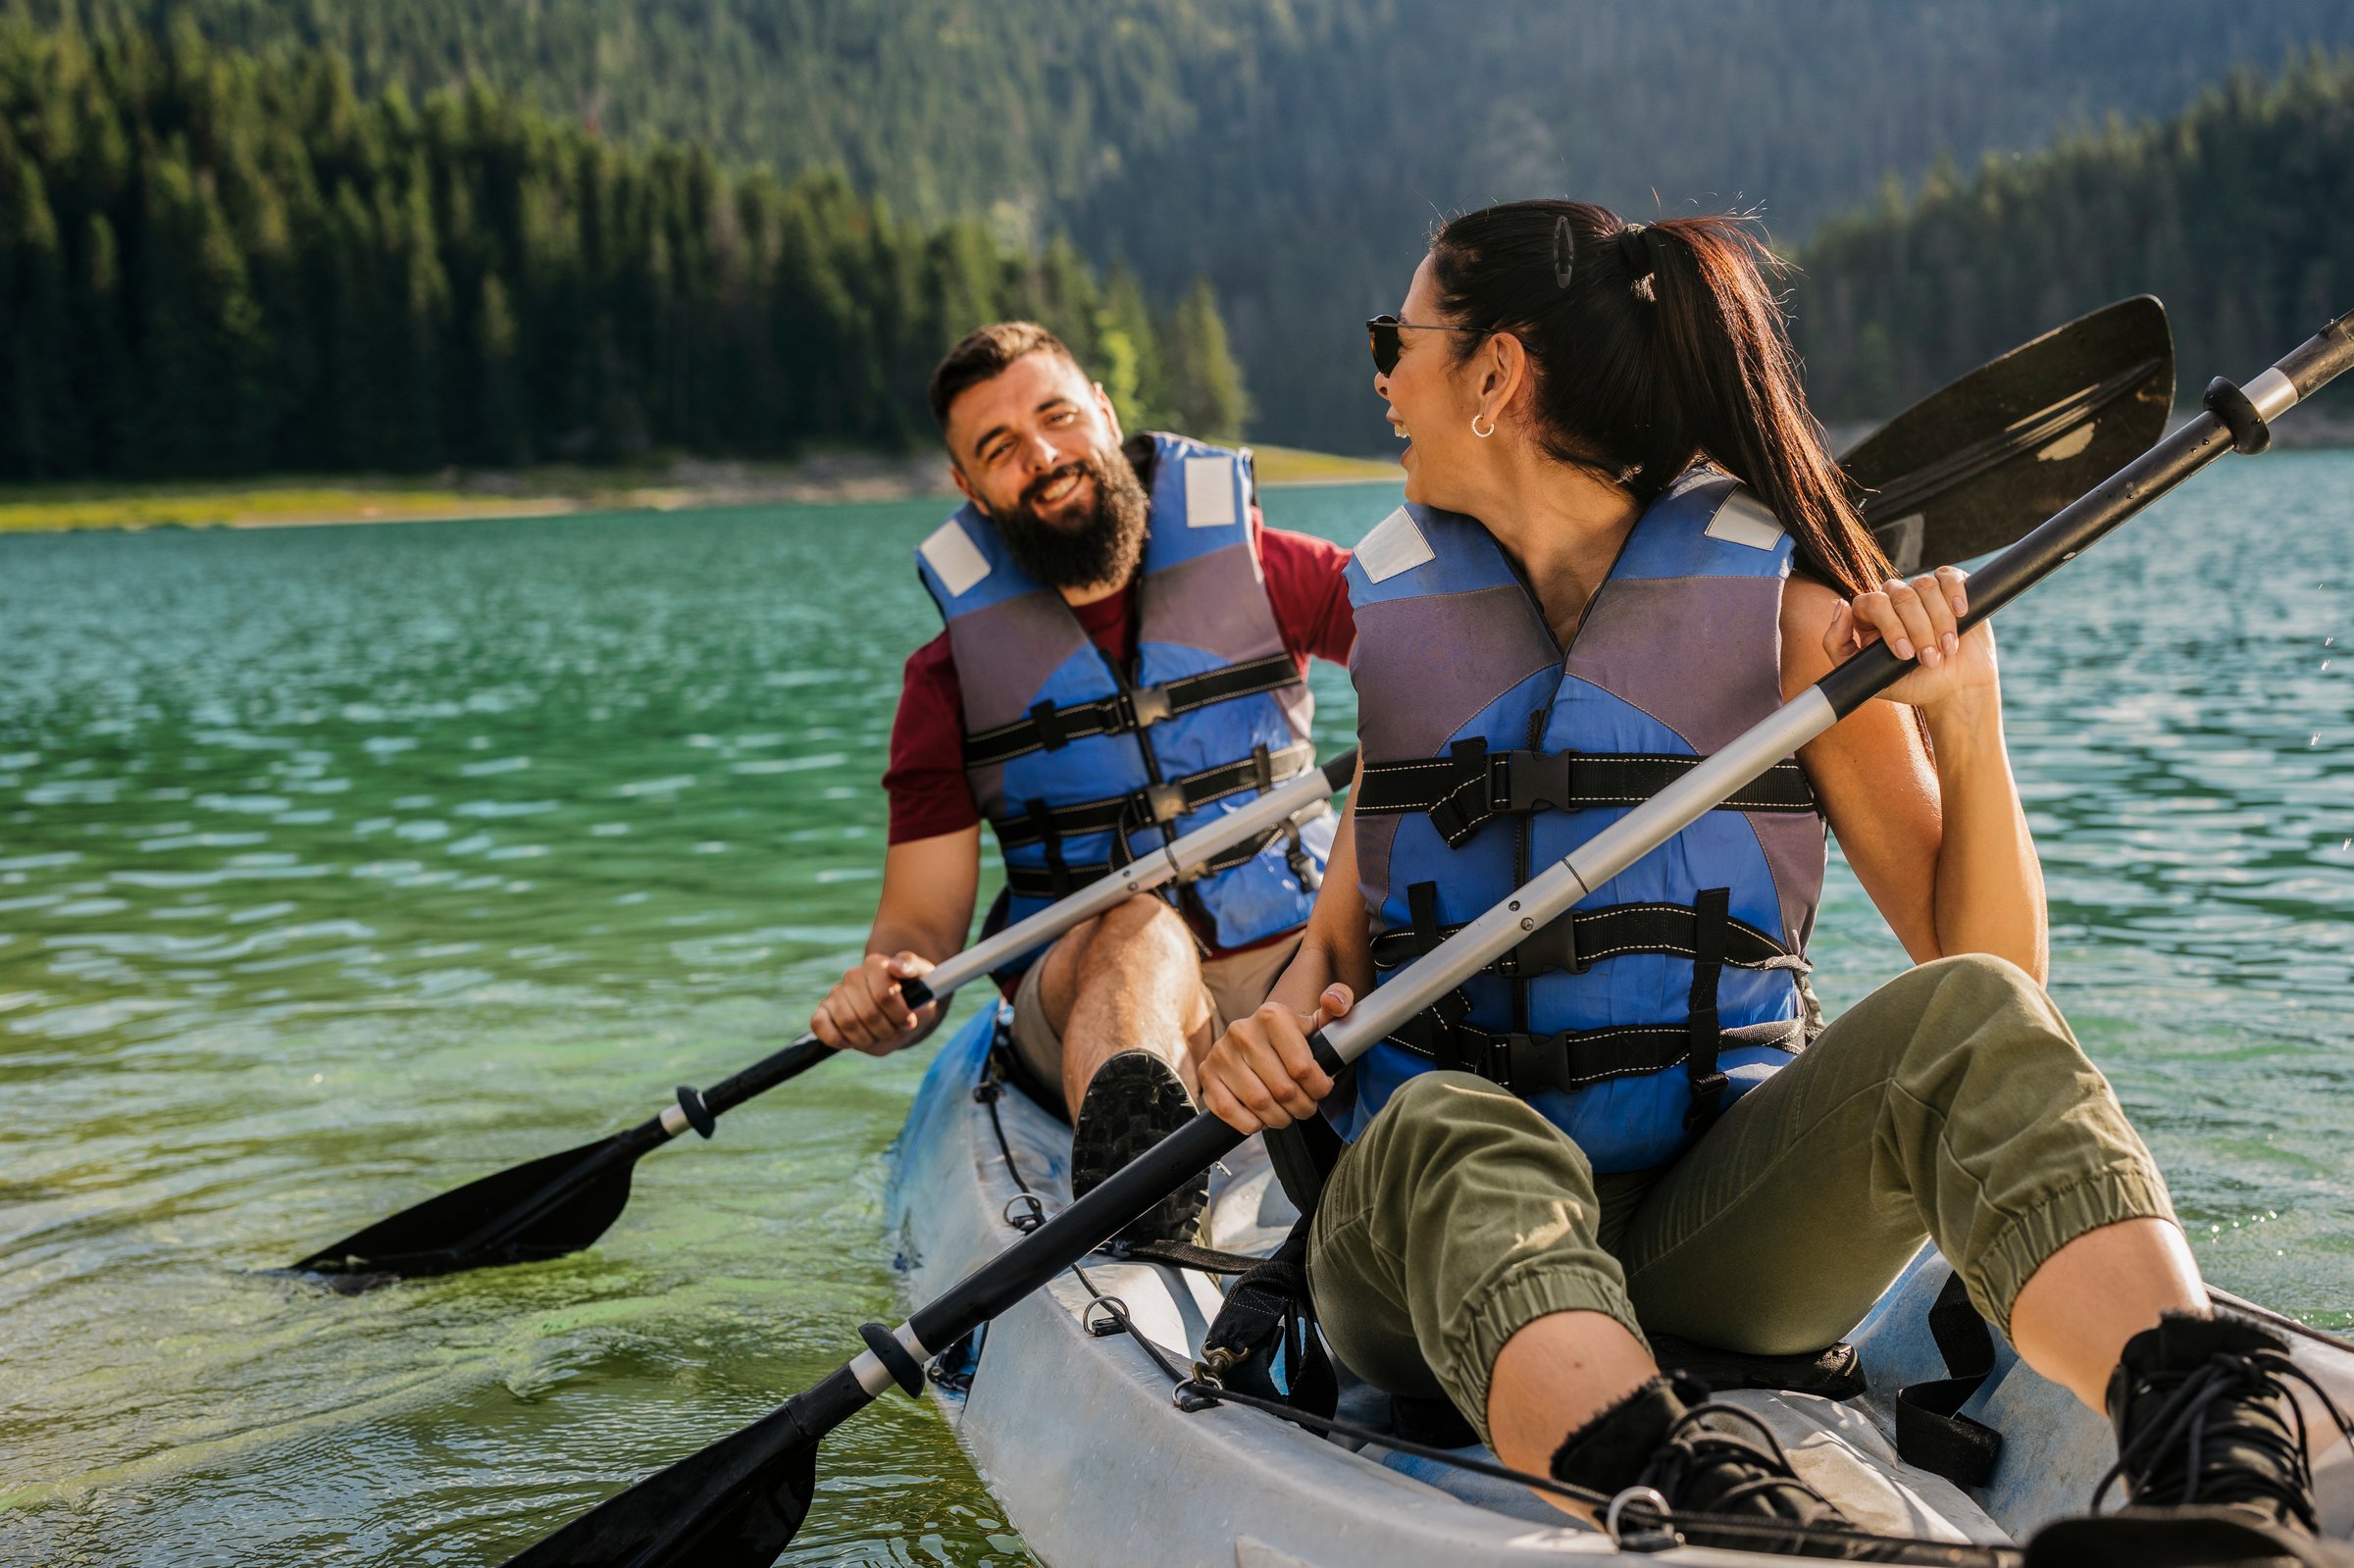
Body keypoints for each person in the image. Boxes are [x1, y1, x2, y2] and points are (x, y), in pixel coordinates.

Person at [1198, 202, 2341, 1550]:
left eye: (1400, 341)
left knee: (1966, 1027)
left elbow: (1997, 979)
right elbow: (1329, 958)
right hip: (1414, 1256)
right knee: (1456, 1123)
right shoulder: (1404, 638)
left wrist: (1966, 717)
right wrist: (1260, 1037)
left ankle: (2219, 1464)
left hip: (1705, 1239)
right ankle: (1703, 1496)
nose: (1382, 377)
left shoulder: (1794, 627)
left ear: (1496, 375)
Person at [811, 321, 1355, 1242]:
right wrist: (890, 983)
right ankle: (1144, 1190)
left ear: (1102, 412)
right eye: (1001, 448)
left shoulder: (1267, 568)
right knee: (1138, 924)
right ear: (969, 488)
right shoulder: (946, 682)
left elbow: (1435, 672)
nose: (1045, 455)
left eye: (1058, 417)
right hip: (1090, 988)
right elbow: (919, 930)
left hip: (1296, 962)